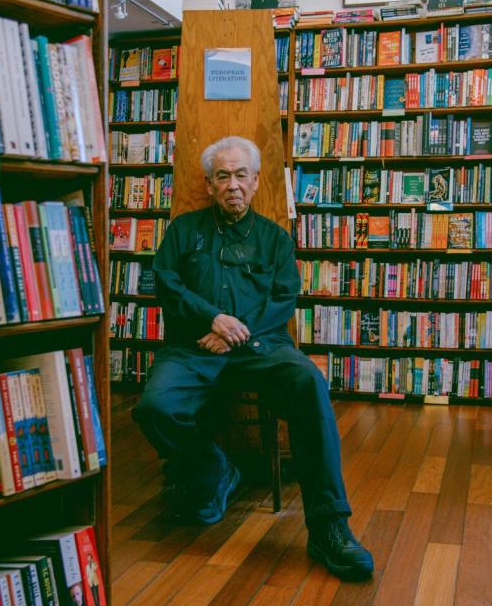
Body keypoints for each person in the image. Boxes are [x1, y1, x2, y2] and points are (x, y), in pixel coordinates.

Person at [132, 136, 374, 580]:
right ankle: (213, 467)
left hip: (262, 347)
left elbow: (284, 298)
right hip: (193, 348)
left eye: (241, 174)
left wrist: (234, 334)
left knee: (308, 383)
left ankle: (329, 527)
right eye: (222, 176)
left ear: (257, 180)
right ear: (208, 184)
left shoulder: (275, 239)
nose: (232, 185)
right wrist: (213, 319)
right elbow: (165, 284)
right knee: (154, 408)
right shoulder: (183, 231)